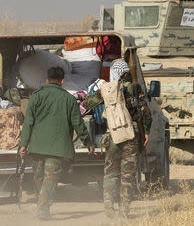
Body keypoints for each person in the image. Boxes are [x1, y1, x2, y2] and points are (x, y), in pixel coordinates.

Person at [18, 67, 95, 220]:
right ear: (62, 81)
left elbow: (28, 122)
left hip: (37, 148)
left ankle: (42, 207)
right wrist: (88, 143)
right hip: (58, 149)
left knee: (39, 178)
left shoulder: (36, 96)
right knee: (49, 179)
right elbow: (78, 123)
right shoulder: (69, 99)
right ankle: (43, 207)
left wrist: (23, 144)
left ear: (46, 80)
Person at [85, 59, 152, 218]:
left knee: (110, 173)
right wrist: (146, 132)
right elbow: (145, 113)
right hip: (131, 136)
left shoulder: (106, 88)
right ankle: (125, 211)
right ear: (126, 73)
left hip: (112, 135)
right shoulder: (134, 88)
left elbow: (87, 104)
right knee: (127, 175)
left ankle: (108, 206)